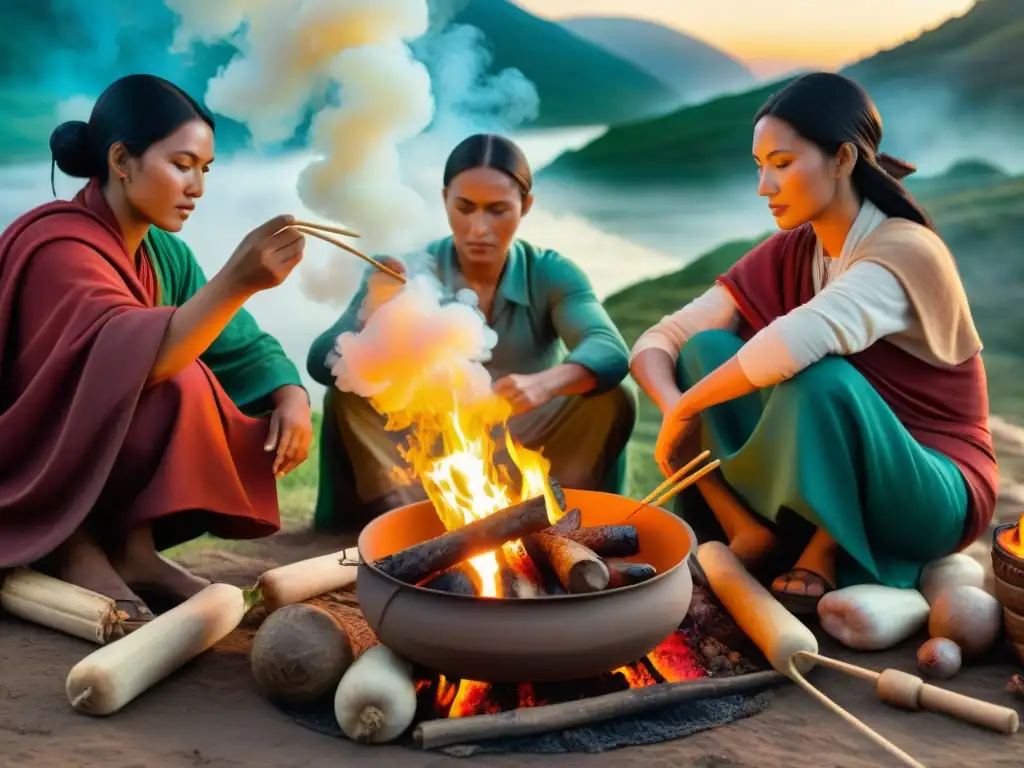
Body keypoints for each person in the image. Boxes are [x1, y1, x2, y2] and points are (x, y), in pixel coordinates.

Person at [629, 72, 997, 613]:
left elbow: (793, 344)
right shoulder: (794, 249)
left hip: (932, 484)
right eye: (760, 167)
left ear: (844, 159)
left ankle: (827, 551)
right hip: (844, 464)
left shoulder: (904, 249)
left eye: (781, 164)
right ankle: (745, 529)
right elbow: (661, 339)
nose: (764, 187)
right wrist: (675, 413)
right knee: (703, 353)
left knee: (816, 379)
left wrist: (688, 408)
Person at [0, 74, 314, 629]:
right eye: (181, 164)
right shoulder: (57, 247)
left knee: (209, 376)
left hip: (97, 459)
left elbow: (236, 342)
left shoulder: (162, 251)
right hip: (31, 466)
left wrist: (290, 393)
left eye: (205, 169)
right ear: (122, 160)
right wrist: (237, 279)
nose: (197, 187)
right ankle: (70, 546)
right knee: (180, 378)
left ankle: (134, 551)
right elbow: (136, 359)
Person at [307, 133, 637, 531]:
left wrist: (546, 384)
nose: (479, 228)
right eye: (465, 208)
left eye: (497, 210)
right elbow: (323, 360)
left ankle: (562, 515)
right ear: (445, 199)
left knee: (613, 394)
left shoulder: (549, 272)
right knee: (350, 392)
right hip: (429, 447)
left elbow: (610, 349)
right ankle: (404, 521)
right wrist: (370, 309)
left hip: (529, 439)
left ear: (526, 205)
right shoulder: (408, 271)